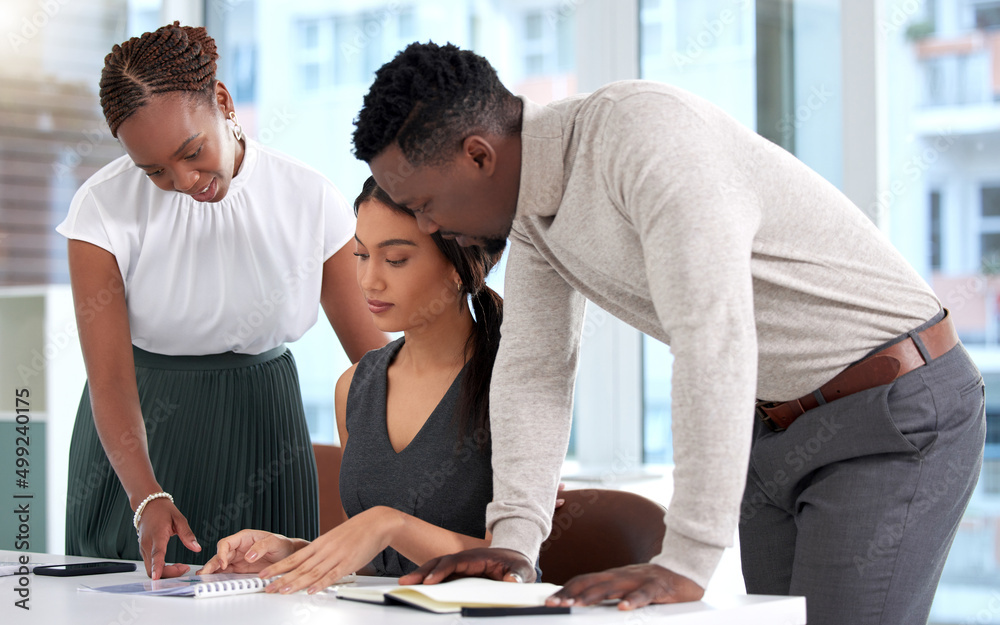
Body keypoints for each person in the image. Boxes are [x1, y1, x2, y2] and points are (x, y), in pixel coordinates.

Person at [351, 42, 986, 625]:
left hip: (890, 411)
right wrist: (512, 543)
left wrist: (687, 558)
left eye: (425, 203)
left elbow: (715, 336)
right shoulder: (532, 217)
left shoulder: (642, 137)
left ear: (478, 155)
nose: (429, 227)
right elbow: (536, 368)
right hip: (777, 428)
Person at [56, 22, 387, 580]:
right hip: (138, 442)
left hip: (264, 431)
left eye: (192, 152)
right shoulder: (101, 209)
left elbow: (377, 369)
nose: (184, 180)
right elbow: (109, 381)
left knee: (268, 598)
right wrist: (145, 496)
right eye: (154, 171)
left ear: (224, 102)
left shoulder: (309, 198)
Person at [196, 176, 505, 593]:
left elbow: (511, 565)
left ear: (458, 264)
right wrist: (295, 554)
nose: (368, 280)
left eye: (395, 259)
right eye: (360, 255)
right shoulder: (355, 386)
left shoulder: (510, 385)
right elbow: (373, 565)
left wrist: (390, 524)